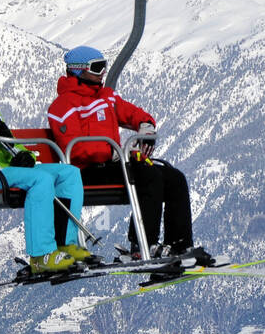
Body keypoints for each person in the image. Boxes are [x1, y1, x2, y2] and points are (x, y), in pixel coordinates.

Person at [47, 45, 211, 265]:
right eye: (97, 68)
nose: (103, 72)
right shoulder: (63, 105)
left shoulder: (106, 97)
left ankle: (179, 243)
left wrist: (145, 125)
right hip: (85, 172)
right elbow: (73, 148)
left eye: (104, 66)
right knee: (148, 175)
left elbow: (132, 113)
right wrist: (113, 153)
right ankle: (142, 245)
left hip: (112, 165)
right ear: (78, 70)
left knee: (174, 177)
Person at [0, 52, 92, 273]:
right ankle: (41, 256)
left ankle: (65, 245)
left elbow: (10, 142)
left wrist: (25, 156)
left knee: (68, 173)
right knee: (41, 180)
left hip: (5, 169)